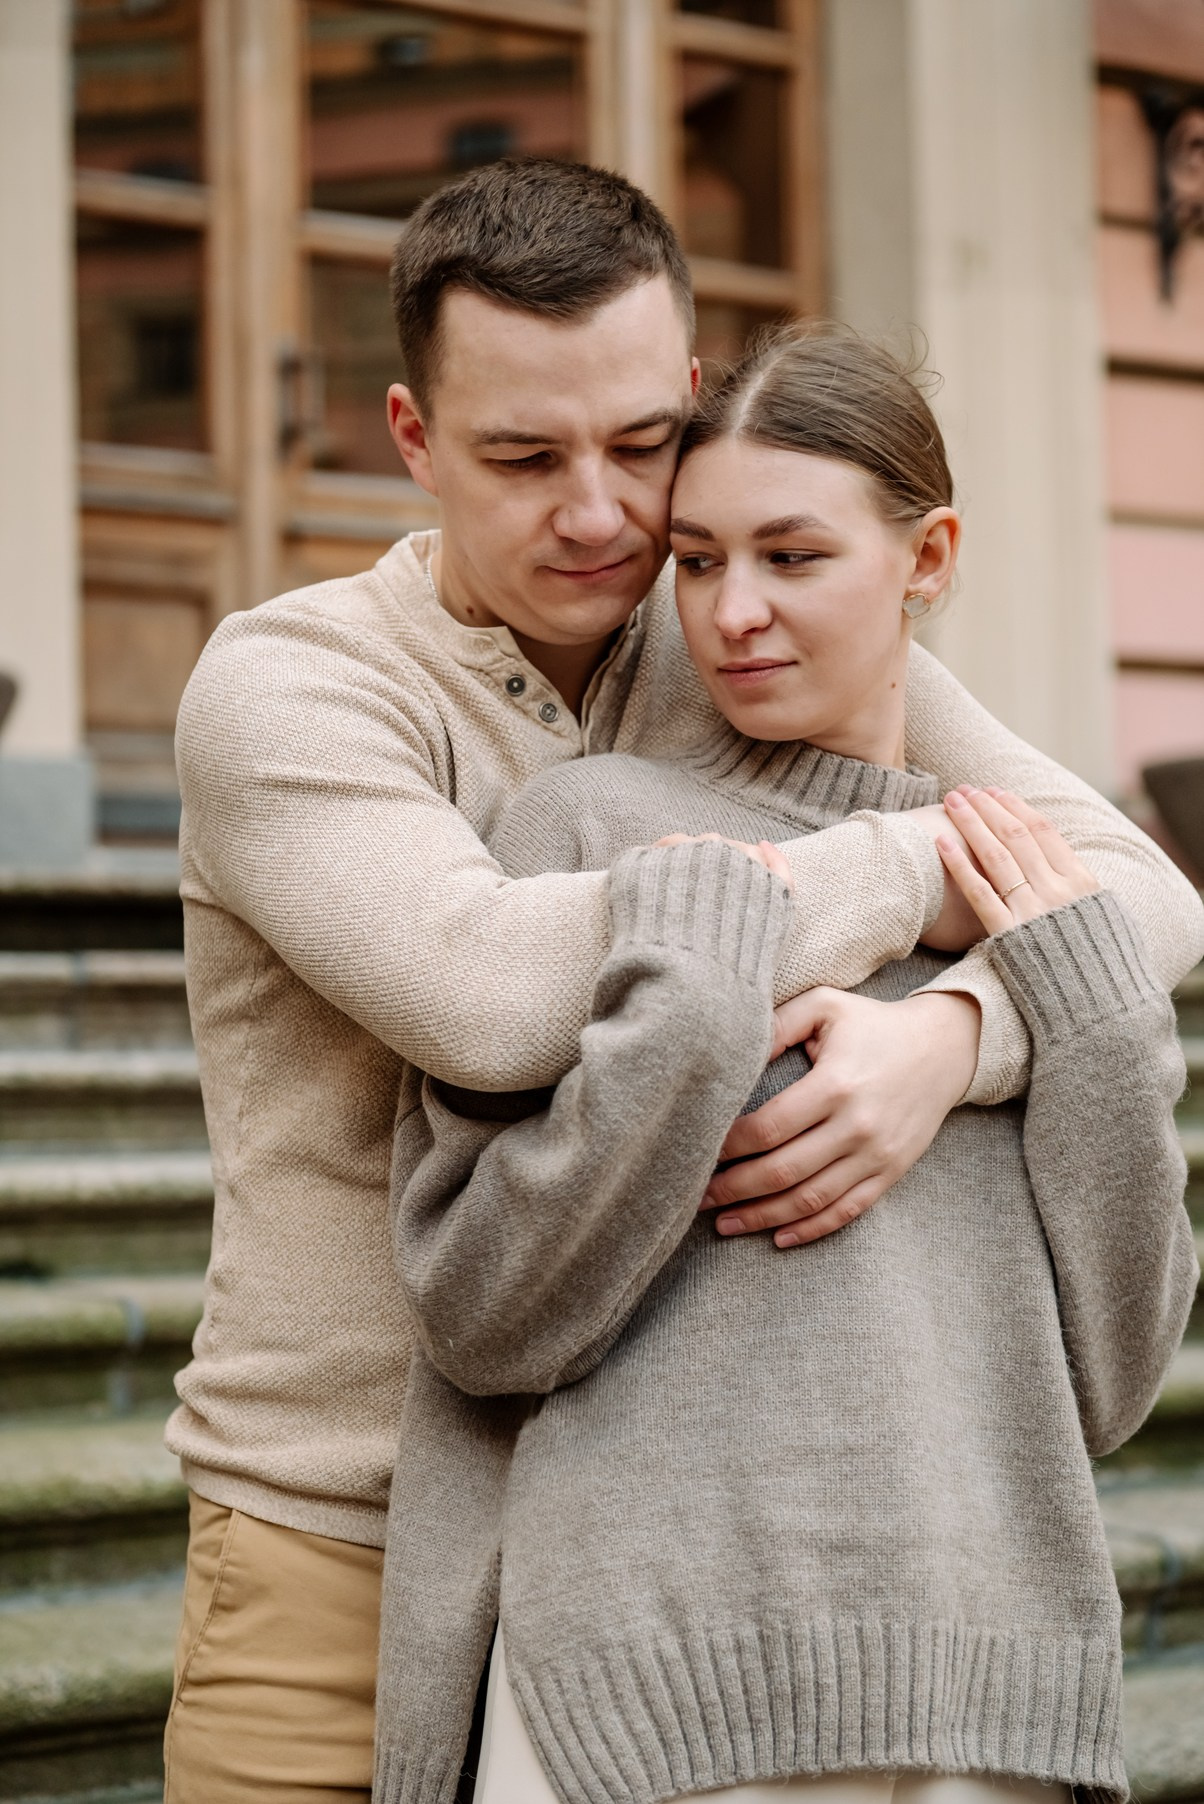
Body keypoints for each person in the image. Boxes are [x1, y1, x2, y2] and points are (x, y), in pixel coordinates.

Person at [163, 161, 1204, 1802]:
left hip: (656, 1537)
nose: (601, 517)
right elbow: (490, 995)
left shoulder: (734, 612)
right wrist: (913, 869)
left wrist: (958, 1034)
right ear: (413, 438)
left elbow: (1139, 899)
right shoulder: (295, 685)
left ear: (693, 397)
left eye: (642, 445)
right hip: (342, 1522)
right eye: (524, 458)